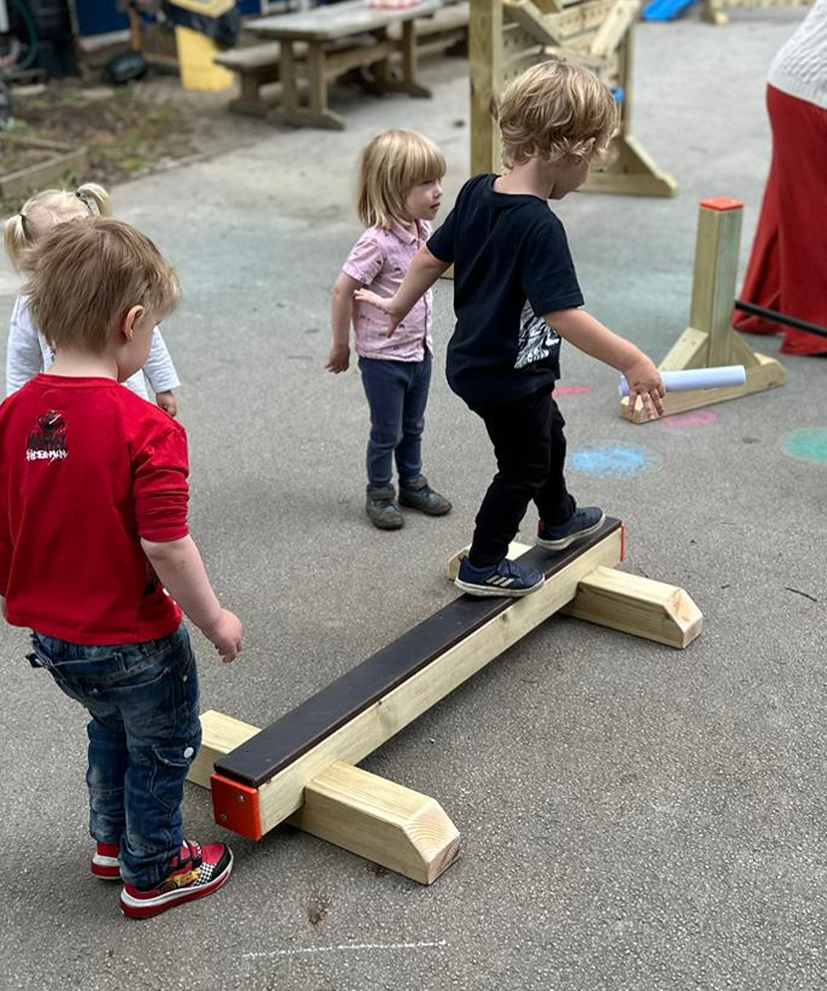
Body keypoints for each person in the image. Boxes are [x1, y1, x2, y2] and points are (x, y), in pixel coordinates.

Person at [0, 217, 242, 919]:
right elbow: (166, 546)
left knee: (108, 728)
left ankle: (109, 841)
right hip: (135, 642)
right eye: (153, 329)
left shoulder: (13, 418)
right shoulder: (147, 429)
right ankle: (153, 868)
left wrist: (21, 593)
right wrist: (213, 619)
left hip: (57, 643)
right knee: (164, 745)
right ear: (131, 324)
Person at [355, 62, 665, 596]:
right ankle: (485, 562)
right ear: (575, 149)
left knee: (549, 435)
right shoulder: (539, 226)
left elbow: (430, 259)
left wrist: (396, 306)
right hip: (506, 374)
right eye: (591, 162)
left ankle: (559, 516)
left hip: (481, 362)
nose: (587, 174)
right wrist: (632, 360)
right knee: (523, 464)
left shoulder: (478, 192)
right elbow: (563, 316)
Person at [327, 129, 453, 531]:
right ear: (393, 189)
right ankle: (380, 492)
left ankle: (412, 483)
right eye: (426, 183)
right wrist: (341, 344)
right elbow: (343, 289)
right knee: (388, 431)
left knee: (414, 426)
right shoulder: (376, 243)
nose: (437, 192)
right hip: (383, 358)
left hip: (420, 351)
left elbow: (439, 268)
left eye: (439, 181)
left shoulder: (423, 232)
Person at [3, 183, 182, 412]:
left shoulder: (119, 286)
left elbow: (148, 332)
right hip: (67, 409)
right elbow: (22, 362)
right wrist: (17, 412)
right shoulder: (32, 303)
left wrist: (163, 384)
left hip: (129, 404)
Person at [733, 0, 827, 356]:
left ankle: (765, 306)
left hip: (794, 86)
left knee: (791, 204)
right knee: (812, 208)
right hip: (812, 96)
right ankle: (815, 327)